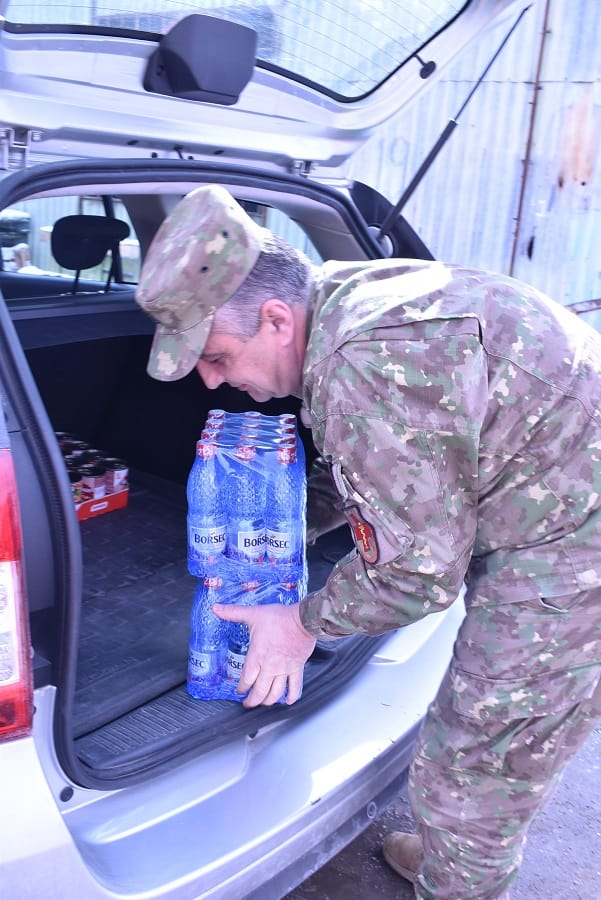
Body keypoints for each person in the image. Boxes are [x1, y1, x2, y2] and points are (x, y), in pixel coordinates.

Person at [135, 184, 601, 899]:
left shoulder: (363, 359)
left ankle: (462, 865)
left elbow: (416, 576)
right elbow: (392, 467)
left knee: (476, 761)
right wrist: (281, 523)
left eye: (216, 355)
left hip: (574, 546)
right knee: (490, 754)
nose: (208, 379)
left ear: (273, 319)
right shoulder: (340, 294)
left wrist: (298, 624)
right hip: (546, 493)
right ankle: (460, 850)